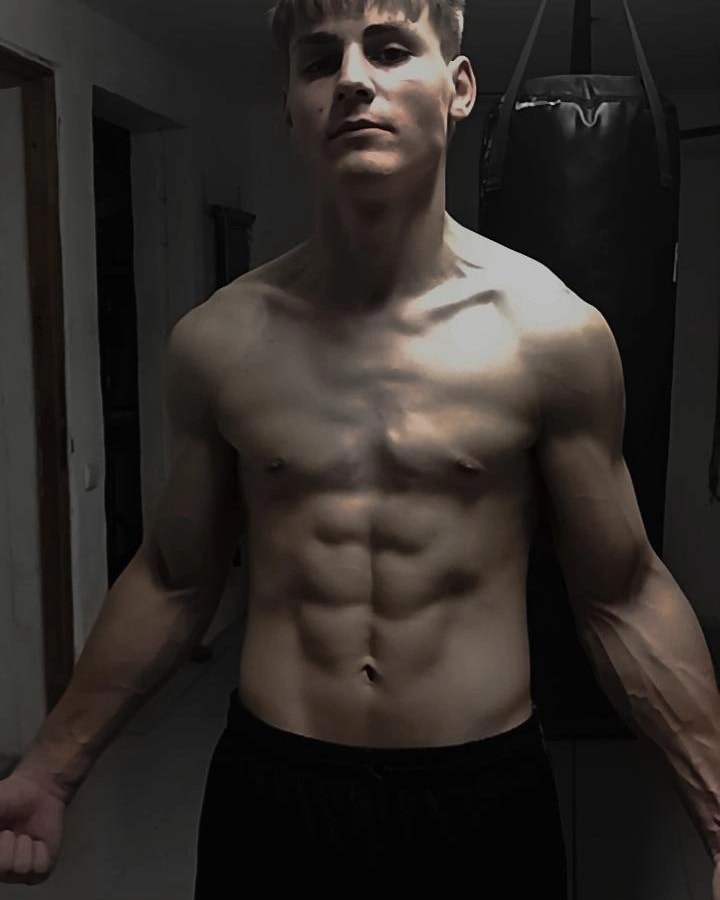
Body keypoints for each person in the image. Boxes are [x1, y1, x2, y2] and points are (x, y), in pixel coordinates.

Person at [2, 0, 719, 895]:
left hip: (483, 798)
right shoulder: (218, 341)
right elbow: (173, 579)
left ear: (460, 88)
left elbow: (622, 593)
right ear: (290, 109)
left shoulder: (551, 335)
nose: (350, 80)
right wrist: (50, 770)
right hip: (277, 791)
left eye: (388, 49)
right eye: (318, 62)